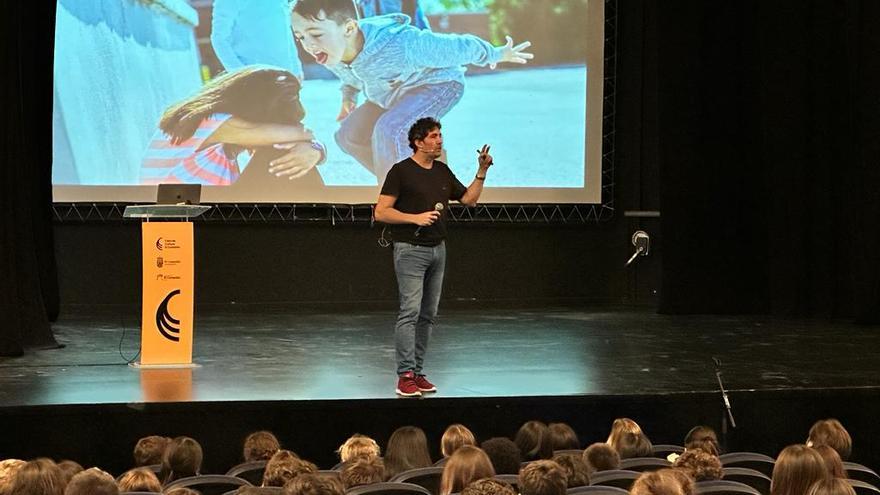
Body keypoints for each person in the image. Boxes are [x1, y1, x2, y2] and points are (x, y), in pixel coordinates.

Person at [291, 0, 530, 180]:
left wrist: (496, 53)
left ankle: (398, 197)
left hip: (438, 84)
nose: (308, 45)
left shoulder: (400, 43)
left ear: (349, 29)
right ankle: (420, 180)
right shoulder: (331, 52)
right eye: (300, 36)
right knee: (346, 135)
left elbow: (456, 46)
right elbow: (350, 76)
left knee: (390, 129)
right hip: (391, 94)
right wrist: (348, 96)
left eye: (316, 34)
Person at [374, 117, 493, 396]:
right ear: (418, 142)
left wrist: (482, 171)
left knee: (428, 315)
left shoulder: (441, 171)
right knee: (410, 312)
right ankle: (404, 375)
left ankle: (417, 371)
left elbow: (468, 200)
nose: (439, 140)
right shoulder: (401, 171)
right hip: (410, 251)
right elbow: (381, 212)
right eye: (434, 136)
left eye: (440, 135)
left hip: (438, 249)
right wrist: (415, 218)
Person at [140, 66, 324, 185]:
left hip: (192, 222)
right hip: (172, 232)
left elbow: (300, 136)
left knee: (287, 154)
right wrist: (314, 147)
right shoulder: (214, 121)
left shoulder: (215, 123)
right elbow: (303, 132)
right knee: (278, 152)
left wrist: (314, 150)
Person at [211, 0, 304, 80]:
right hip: (254, 81)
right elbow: (219, 39)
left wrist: (296, 68)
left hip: (285, 76)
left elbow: (285, 32)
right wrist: (241, 75)